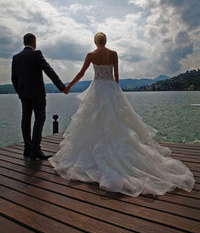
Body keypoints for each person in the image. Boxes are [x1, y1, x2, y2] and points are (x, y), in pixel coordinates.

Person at [49, 32, 195, 197]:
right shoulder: (113, 54)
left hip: (96, 89)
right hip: (111, 89)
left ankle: (95, 153)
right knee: (116, 121)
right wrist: (115, 92)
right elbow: (116, 76)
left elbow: (82, 73)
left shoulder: (90, 55)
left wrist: (69, 87)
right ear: (106, 41)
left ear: (95, 42)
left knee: (93, 121)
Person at [11, 33, 67, 160]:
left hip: (24, 94)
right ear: (34, 42)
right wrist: (62, 87)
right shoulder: (36, 54)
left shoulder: (16, 57)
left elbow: (13, 78)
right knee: (39, 119)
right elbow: (49, 70)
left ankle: (27, 148)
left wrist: (20, 93)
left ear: (24, 42)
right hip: (37, 94)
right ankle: (35, 150)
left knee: (25, 119)